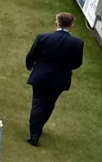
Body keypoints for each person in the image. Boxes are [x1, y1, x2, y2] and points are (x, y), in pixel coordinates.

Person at [24, 11, 85, 146]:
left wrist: (30, 66)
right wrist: (65, 69)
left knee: (38, 103)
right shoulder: (77, 43)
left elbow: (32, 54)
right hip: (60, 79)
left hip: (41, 76)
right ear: (71, 26)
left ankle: (35, 133)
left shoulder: (43, 38)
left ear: (56, 24)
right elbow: (77, 62)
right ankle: (39, 126)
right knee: (50, 103)